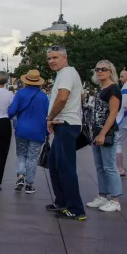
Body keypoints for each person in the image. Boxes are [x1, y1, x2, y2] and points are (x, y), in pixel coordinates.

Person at [45, 46, 86, 220]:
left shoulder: (67, 73)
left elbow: (62, 98)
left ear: (65, 58)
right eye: (49, 58)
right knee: (54, 165)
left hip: (67, 124)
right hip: (63, 123)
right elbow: (81, 96)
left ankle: (76, 209)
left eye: (55, 57)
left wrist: (50, 117)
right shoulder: (64, 74)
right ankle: (62, 201)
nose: (52, 61)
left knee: (66, 168)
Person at [86, 61, 123, 212]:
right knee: (100, 167)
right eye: (97, 69)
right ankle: (103, 196)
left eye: (103, 69)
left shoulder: (113, 89)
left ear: (110, 71)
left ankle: (115, 200)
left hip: (107, 133)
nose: (100, 72)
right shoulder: (101, 89)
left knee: (109, 166)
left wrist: (102, 133)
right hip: (96, 132)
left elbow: (113, 113)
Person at [7, 70, 49, 194]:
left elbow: (12, 111)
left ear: (26, 81)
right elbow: (47, 115)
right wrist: (47, 133)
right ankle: (30, 184)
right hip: (38, 131)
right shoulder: (43, 97)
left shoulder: (20, 94)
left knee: (21, 154)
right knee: (32, 157)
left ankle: (20, 176)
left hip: (22, 129)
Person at [116, 66, 127, 177]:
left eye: (122, 76)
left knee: (117, 143)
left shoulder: (126, 87)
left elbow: (123, 104)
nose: (120, 78)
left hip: (125, 120)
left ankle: (120, 169)